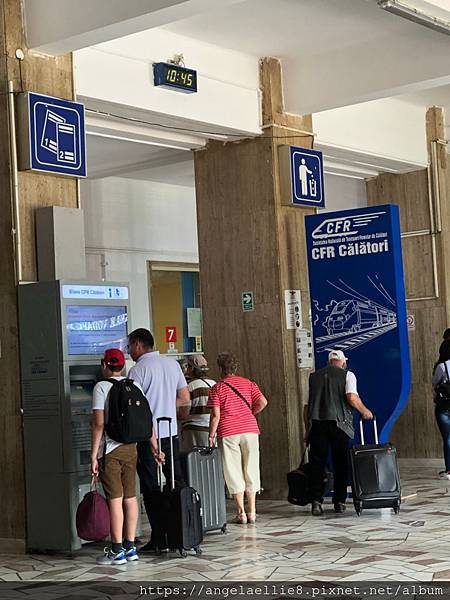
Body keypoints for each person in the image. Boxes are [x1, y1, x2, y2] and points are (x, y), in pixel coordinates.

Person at [91, 348, 163, 565]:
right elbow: (146, 420)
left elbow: (99, 424)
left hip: (111, 451)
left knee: (115, 500)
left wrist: (94, 455)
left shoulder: (101, 387)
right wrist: (155, 448)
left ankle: (116, 550)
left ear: (105, 365)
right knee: (131, 498)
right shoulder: (135, 385)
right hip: (132, 448)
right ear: (122, 366)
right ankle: (131, 548)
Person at [127, 328, 190, 552]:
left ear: (138, 345)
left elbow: (135, 410)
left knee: (151, 486)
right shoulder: (172, 365)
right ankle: (182, 531)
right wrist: (165, 406)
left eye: (130, 346)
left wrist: (153, 409)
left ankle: (159, 537)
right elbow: (184, 398)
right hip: (170, 433)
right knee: (176, 481)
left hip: (147, 437)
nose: (129, 350)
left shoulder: (138, 371)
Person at [304, 349, 373, 516]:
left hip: (317, 425)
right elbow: (351, 397)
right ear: (343, 362)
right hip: (339, 425)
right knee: (340, 463)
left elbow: (307, 406)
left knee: (317, 464)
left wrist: (307, 429)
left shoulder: (314, 377)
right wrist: (365, 411)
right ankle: (340, 501)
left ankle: (316, 501)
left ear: (329, 362)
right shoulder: (348, 375)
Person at [207, 352, 268, 525]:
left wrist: (211, 435)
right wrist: (250, 413)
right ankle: (253, 511)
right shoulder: (249, 384)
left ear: (220, 369)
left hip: (228, 431)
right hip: (250, 429)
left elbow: (215, 416)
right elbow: (263, 401)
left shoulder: (217, 388)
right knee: (251, 468)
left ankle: (241, 512)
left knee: (233, 470)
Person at [178, 355, 216, 451]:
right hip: (212, 429)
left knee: (194, 461)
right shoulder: (214, 384)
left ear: (191, 368)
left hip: (193, 430)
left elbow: (184, 411)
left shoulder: (189, 386)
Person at [432, 340, 450, 480]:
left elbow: (434, 383)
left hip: (444, 407)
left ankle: (449, 470)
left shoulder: (442, 366)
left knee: (448, 438)